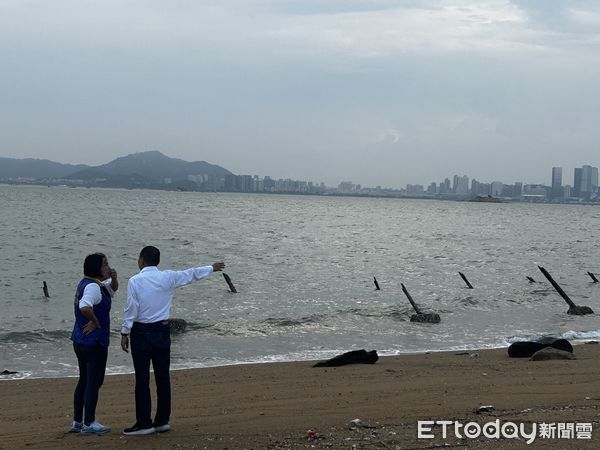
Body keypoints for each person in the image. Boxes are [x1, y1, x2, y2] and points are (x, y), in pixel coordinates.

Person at [120, 245, 224, 436]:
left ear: (141, 260)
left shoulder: (135, 280)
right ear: (157, 261)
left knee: (142, 378)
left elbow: (131, 309)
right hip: (162, 330)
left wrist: (125, 332)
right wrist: (211, 267)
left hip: (141, 332)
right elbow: (190, 274)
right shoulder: (167, 277)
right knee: (162, 376)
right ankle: (162, 420)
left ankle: (144, 422)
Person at [70, 253, 118, 435]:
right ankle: (89, 422)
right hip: (93, 342)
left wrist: (113, 279)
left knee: (84, 380)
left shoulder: (90, 283)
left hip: (80, 339)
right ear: (96, 268)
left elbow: (112, 291)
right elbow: (84, 306)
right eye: (105, 264)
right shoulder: (93, 288)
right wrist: (96, 321)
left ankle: (77, 422)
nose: (108, 267)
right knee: (94, 381)